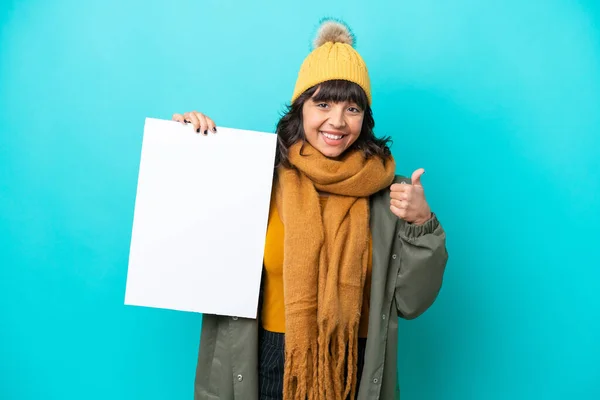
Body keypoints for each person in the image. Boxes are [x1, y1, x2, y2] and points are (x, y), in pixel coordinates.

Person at [172, 19, 448, 400]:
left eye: (352, 108)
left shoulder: (392, 194)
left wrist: (421, 224)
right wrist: (189, 149)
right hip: (266, 361)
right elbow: (192, 255)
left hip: (353, 363)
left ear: (364, 119)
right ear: (300, 108)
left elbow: (412, 302)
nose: (337, 122)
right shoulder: (255, 176)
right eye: (322, 104)